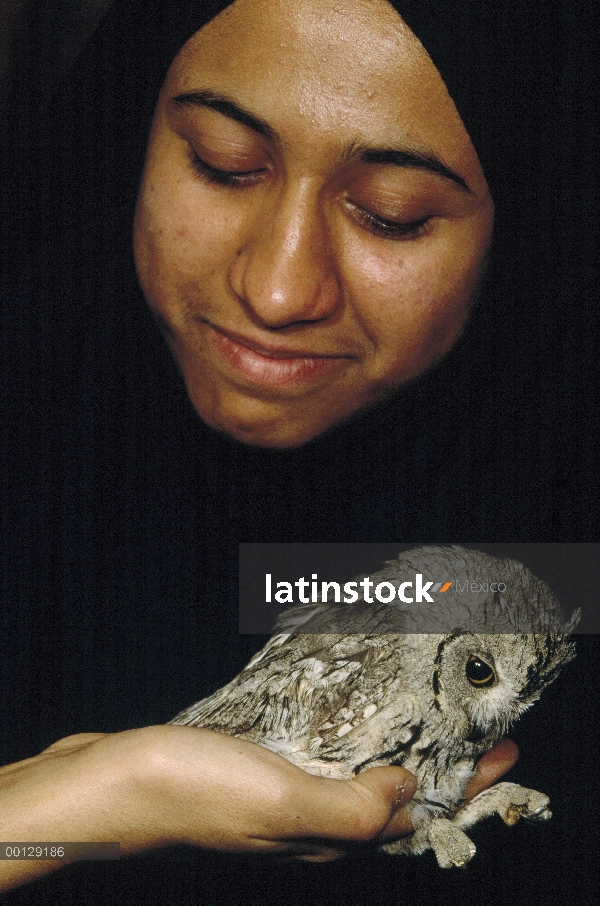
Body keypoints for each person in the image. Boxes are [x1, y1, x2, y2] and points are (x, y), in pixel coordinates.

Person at [0, 0, 597, 901]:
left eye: (391, 216)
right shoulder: (35, 370)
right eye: (222, 164)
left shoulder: (562, 486)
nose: (278, 289)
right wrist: (99, 801)